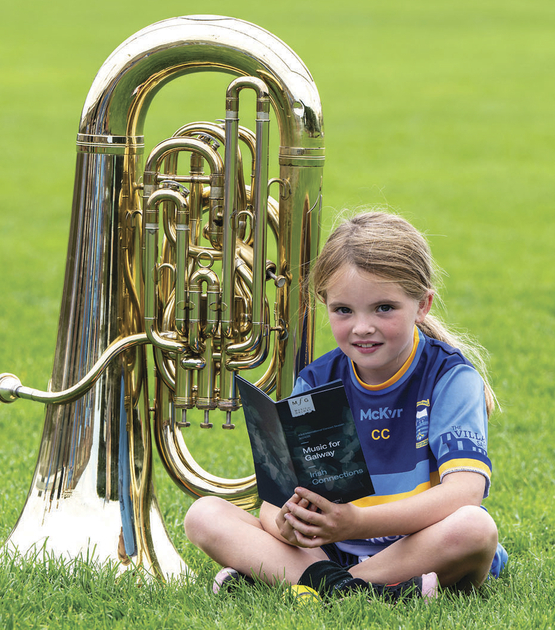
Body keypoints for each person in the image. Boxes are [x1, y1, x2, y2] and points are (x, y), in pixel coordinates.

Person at [184, 211, 507, 601]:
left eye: (384, 308)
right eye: (344, 310)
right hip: (331, 549)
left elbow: (464, 494)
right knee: (205, 515)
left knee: (474, 529)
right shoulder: (318, 381)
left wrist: (356, 522)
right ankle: (361, 590)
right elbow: (274, 506)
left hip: (418, 546)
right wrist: (288, 525)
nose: (362, 327)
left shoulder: (449, 377)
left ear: (422, 304)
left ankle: (317, 585)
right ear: (326, 306)